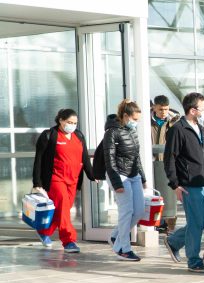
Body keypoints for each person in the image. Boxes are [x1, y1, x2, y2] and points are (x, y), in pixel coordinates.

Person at [163, 92, 204, 273]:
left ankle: (173, 241)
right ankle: (193, 260)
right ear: (193, 110)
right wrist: (175, 184)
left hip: (203, 183)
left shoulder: (199, 128)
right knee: (195, 222)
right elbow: (169, 159)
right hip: (188, 185)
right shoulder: (178, 129)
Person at [32, 109, 97, 252]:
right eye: (69, 122)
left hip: (72, 180)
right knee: (63, 208)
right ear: (61, 120)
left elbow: (84, 158)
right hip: (56, 179)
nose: (72, 126)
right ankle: (69, 241)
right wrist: (37, 183)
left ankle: (45, 231)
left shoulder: (78, 136)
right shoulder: (49, 135)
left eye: (75, 123)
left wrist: (92, 175)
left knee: (62, 210)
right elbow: (39, 160)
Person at [103, 100, 148, 261]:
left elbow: (137, 157)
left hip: (133, 175)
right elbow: (109, 159)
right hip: (119, 175)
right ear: (125, 116)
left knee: (139, 211)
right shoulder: (112, 132)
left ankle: (116, 236)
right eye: (134, 119)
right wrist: (117, 183)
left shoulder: (132, 132)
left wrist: (143, 178)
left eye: (138, 120)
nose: (136, 123)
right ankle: (123, 248)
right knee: (126, 211)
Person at [151, 95, 179, 233]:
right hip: (151, 163)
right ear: (154, 107)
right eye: (161, 109)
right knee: (153, 193)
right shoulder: (146, 122)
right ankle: (154, 222)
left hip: (167, 163)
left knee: (169, 195)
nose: (163, 112)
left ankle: (169, 226)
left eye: (166, 109)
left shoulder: (174, 122)